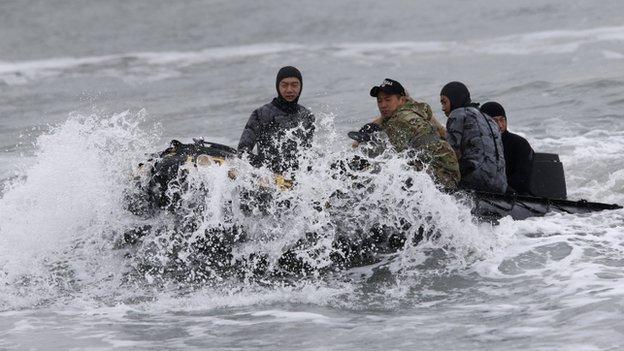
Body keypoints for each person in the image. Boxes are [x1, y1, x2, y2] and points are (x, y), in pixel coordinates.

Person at [352, 78, 460, 189]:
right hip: (449, 167)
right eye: (379, 101)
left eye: (388, 100)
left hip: (442, 178)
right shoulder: (417, 108)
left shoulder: (398, 122)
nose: (383, 105)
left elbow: (390, 157)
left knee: (387, 167)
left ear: (402, 100)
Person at [238, 66, 315, 174]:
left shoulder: (307, 116)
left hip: (299, 181)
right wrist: (262, 169)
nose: (289, 90)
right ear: (277, 87)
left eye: (294, 85)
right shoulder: (261, 114)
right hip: (268, 179)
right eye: (284, 85)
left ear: (300, 87)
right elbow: (243, 152)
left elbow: (307, 154)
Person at [440, 81, 507, 193]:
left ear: (454, 99)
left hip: (477, 180)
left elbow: (450, 154)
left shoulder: (457, 114)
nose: (443, 108)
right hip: (500, 184)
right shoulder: (488, 118)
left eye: (444, 102)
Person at [480, 101, 534, 195]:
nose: (500, 125)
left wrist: (500, 187)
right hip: (485, 194)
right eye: (495, 121)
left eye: (502, 120)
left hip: (517, 196)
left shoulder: (519, 144)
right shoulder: (478, 145)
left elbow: (522, 177)